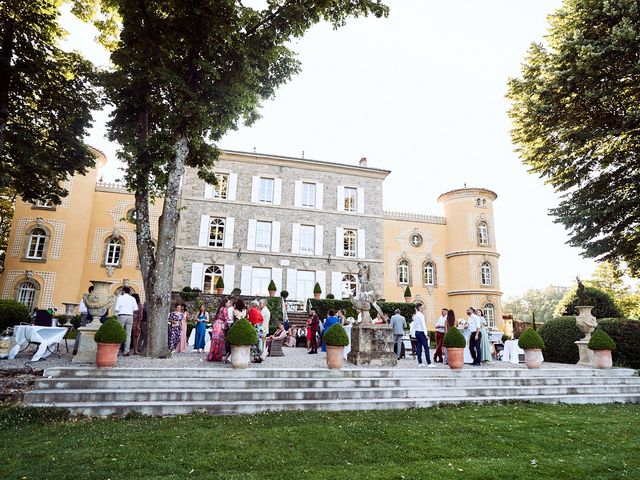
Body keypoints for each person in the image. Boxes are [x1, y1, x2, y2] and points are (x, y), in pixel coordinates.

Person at [114, 286, 139, 356]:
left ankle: (117, 351)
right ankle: (126, 351)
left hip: (121, 315)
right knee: (128, 334)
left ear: (123, 291)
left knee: (119, 333)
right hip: (130, 316)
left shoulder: (119, 298)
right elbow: (135, 308)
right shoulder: (132, 298)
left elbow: (116, 308)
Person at [412, 303, 434, 367]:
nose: (423, 309)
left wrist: (414, 334)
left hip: (417, 332)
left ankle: (420, 362)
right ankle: (429, 363)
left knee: (419, 347)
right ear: (419, 308)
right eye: (422, 308)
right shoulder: (421, 315)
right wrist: (426, 334)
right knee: (426, 347)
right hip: (421, 332)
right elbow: (423, 325)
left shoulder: (415, 316)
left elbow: (414, 325)